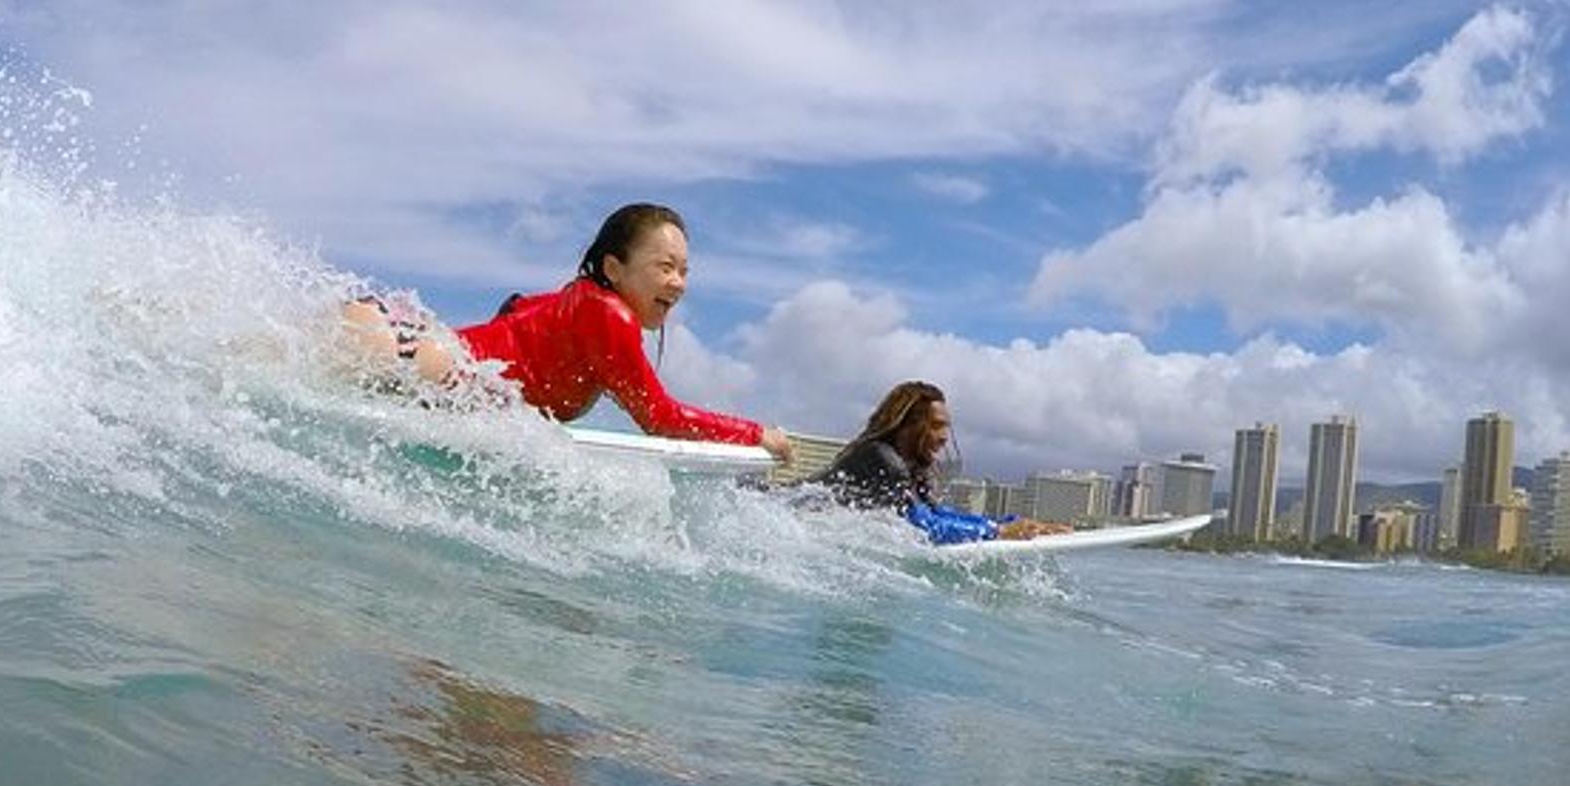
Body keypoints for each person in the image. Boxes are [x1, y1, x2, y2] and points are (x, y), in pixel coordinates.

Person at [342, 204, 793, 461]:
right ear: (615, 268)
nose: (678, 282)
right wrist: (757, 434)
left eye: (684, 271)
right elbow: (660, 417)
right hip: (415, 360)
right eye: (665, 267)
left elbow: (516, 309)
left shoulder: (580, 300)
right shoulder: (609, 316)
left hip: (409, 340)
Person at [810, 380, 1063, 544]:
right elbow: (923, 528)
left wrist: (1008, 523)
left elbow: (936, 514)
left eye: (946, 428)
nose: (944, 437)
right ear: (907, 427)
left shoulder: (910, 469)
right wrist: (998, 534)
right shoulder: (882, 459)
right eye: (936, 426)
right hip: (794, 509)